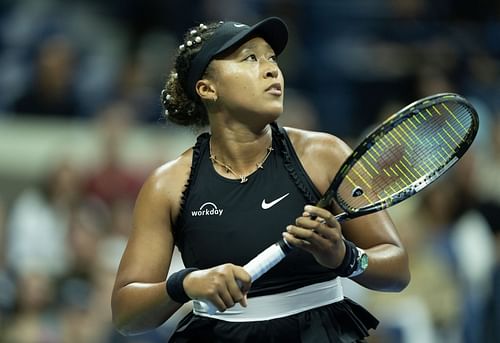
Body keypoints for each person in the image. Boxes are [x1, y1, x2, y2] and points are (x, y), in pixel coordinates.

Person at [111, 17, 410, 343]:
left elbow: (396, 270)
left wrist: (345, 256)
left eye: (272, 59)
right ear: (208, 88)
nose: (271, 70)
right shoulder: (166, 185)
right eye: (250, 58)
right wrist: (185, 284)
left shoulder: (325, 154)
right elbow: (126, 315)